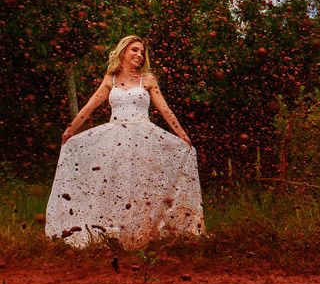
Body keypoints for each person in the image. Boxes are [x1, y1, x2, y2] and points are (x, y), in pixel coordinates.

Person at [45, 35, 204, 249]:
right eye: (135, 50)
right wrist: (70, 130)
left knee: (143, 186)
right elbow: (90, 106)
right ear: (123, 52)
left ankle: (144, 236)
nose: (139, 55)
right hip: (115, 139)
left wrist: (182, 134)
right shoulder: (110, 79)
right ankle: (114, 235)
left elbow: (165, 109)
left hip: (144, 139)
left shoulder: (147, 80)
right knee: (114, 185)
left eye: (141, 52)